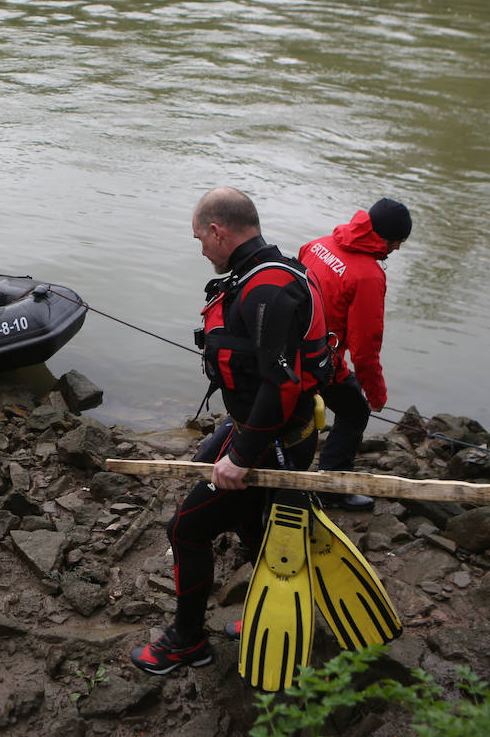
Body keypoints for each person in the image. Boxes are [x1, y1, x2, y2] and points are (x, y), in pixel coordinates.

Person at [131, 187, 331, 676]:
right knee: (249, 519)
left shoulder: (265, 291)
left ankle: (187, 642)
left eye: (200, 239)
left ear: (218, 232)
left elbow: (282, 384)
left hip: (273, 443)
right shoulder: (268, 270)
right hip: (261, 429)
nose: (201, 249)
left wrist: (240, 457)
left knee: (186, 529)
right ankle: (269, 607)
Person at [298, 197, 412, 511]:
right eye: (398, 241)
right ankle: (331, 490)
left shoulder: (318, 245)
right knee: (355, 410)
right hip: (317, 360)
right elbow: (365, 349)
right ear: (387, 239)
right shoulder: (369, 276)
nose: (398, 248)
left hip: (286, 349)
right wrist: (376, 396)